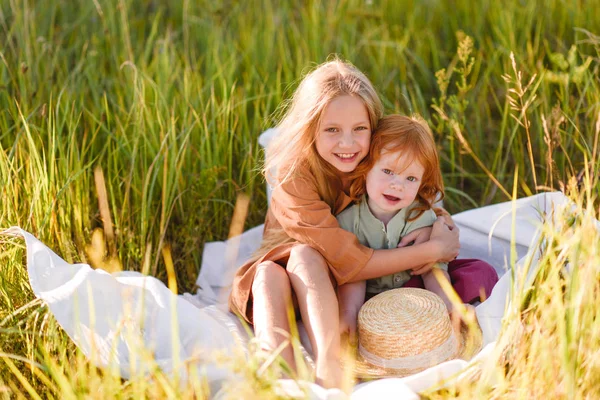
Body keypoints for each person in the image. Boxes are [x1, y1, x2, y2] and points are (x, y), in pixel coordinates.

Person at [228, 59, 461, 388]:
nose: (348, 143)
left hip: (341, 292)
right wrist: (433, 249)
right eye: (332, 130)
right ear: (310, 129)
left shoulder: (372, 158)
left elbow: (413, 188)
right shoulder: (292, 175)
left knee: (302, 261)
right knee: (276, 269)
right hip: (301, 273)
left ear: (373, 129)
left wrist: (437, 221)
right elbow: (346, 259)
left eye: (359, 129)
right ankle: (283, 366)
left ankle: (328, 363)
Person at [336, 115, 499, 343]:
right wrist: (350, 316)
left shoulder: (420, 215)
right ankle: (358, 324)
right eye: (388, 172)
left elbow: (432, 270)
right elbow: (354, 278)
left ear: (421, 182)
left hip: (414, 289)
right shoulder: (348, 220)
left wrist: (446, 304)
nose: (398, 185)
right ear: (366, 169)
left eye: (410, 178)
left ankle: (450, 312)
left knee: (480, 272)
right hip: (369, 299)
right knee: (343, 302)